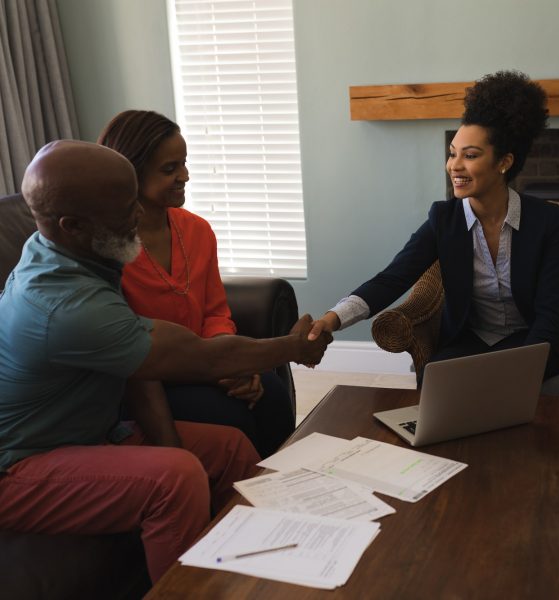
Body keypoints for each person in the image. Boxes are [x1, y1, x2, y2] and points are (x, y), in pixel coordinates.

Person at [0, 140, 331, 583]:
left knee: (230, 448)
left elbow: (153, 359)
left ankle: (269, 568)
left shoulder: (69, 252)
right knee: (173, 478)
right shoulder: (62, 303)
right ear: (73, 225)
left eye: (134, 195)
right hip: (21, 466)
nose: (137, 212)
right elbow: (193, 355)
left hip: (88, 434)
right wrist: (293, 347)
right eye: (122, 206)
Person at [308, 70, 559, 381]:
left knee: (499, 386)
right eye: (452, 154)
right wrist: (333, 318)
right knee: (437, 380)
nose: (454, 166)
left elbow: (550, 311)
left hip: (537, 340)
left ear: (504, 162)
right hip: (473, 340)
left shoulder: (546, 221)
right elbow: (392, 278)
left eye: (470, 155)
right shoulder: (444, 220)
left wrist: (521, 367)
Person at [98, 110, 293, 457]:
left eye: (184, 164)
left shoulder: (197, 230)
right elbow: (131, 357)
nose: (184, 176)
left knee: (271, 391)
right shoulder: (108, 249)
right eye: (169, 169)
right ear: (129, 173)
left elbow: (216, 312)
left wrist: (231, 362)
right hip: (147, 383)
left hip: (204, 363)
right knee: (231, 415)